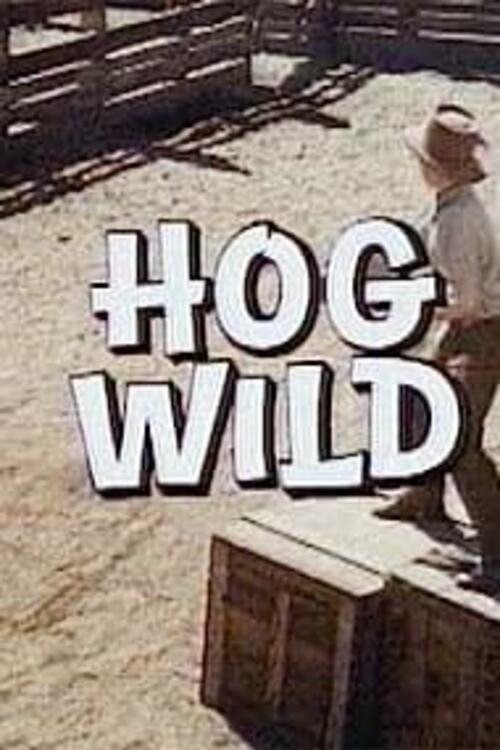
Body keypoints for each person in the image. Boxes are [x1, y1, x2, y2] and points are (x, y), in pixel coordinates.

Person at [375, 103, 500, 593]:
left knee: (460, 442)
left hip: (484, 332)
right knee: (421, 397)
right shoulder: (452, 204)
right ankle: (424, 493)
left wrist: (416, 306)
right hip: (472, 325)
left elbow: (468, 301)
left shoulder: (457, 222)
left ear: (436, 168)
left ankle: (498, 557)